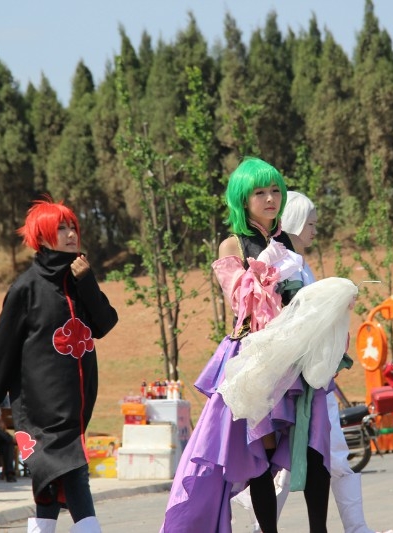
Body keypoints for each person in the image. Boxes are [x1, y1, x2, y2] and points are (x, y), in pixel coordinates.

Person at [162, 158, 350, 533]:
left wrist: (331, 301)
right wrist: (265, 272)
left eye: (275, 190)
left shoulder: (287, 242)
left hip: (296, 357)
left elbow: (303, 298)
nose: (270, 198)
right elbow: (240, 301)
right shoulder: (231, 244)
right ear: (242, 199)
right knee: (260, 452)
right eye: (260, 192)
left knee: (315, 445)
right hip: (255, 357)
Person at [236, 191, 393, 533]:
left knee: (321, 455)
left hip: (310, 374)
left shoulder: (298, 263)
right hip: (289, 374)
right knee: (312, 455)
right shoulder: (277, 260)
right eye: (310, 224)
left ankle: (350, 527)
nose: (315, 231)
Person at [0, 197, 119, 533]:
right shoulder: (26, 288)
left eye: (73, 227)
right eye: (60, 228)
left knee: (49, 484)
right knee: (73, 470)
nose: (70, 234)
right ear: (42, 237)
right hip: (39, 409)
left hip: (76, 406)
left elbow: (104, 324)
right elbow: (0, 351)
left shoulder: (79, 279)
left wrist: (88, 282)